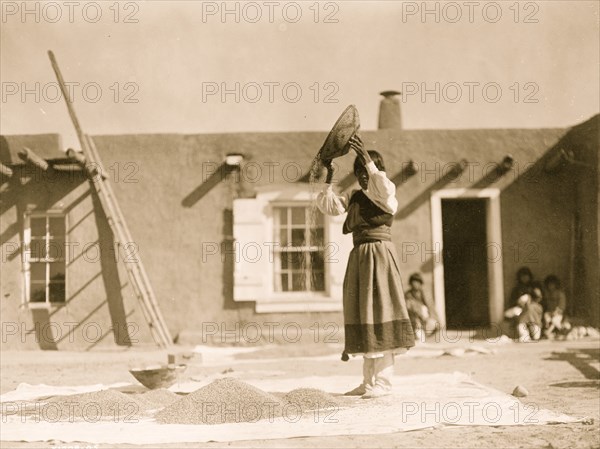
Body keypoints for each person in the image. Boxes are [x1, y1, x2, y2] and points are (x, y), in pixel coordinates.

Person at [316, 134, 414, 399]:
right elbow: (330, 206)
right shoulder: (355, 197)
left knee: (381, 313)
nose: (362, 177)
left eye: (366, 172)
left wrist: (369, 161)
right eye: (358, 172)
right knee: (364, 314)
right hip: (359, 257)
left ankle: (383, 383)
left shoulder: (385, 196)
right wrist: (330, 175)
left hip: (379, 257)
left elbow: (382, 187)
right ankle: (368, 382)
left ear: (376, 171)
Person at [404, 272, 439, 341]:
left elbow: (431, 307)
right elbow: (407, 307)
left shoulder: (425, 293)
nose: (415, 284)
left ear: (420, 283)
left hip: (426, 318)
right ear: (410, 283)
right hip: (413, 319)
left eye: (417, 282)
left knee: (433, 324)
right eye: (413, 282)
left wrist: (429, 318)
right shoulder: (408, 295)